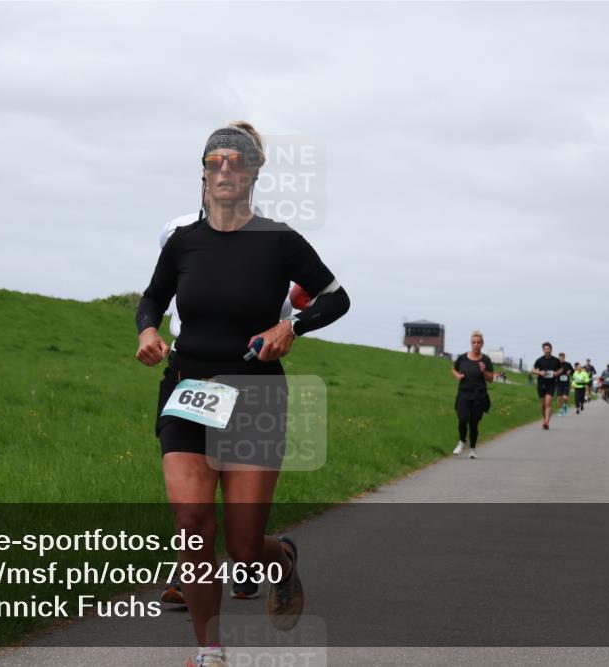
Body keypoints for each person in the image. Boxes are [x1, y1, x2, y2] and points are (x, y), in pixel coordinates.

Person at [136, 121, 350, 667]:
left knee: (244, 548)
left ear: (254, 173)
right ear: (204, 174)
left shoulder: (279, 240)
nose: (225, 169)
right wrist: (148, 331)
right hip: (187, 389)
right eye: (215, 162)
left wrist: (290, 327)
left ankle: (282, 559)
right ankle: (209, 651)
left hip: (255, 395)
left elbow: (336, 297)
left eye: (236, 161)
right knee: (191, 525)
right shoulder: (183, 241)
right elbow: (153, 298)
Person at [158, 204, 292, 606]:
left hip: (248, 376)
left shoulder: (271, 236)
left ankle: (262, 558)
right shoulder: (178, 231)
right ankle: (190, 570)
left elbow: (284, 310)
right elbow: (165, 288)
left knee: (243, 532)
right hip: (191, 373)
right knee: (190, 504)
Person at [451, 331, 494, 459]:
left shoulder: (486, 360)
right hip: (464, 393)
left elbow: (490, 379)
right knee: (463, 418)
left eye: (478, 342)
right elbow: (453, 369)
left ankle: (473, 449)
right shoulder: (462, 358)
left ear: (482, 344)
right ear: (471, 343)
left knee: (474, 423)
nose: (476, 345)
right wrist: (457, 376)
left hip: (479, 395)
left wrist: (484, 371)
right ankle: (462, 440)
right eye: (474, 342)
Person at [532, 342, 559, 430]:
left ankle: (547, 422)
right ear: (543, 350)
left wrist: (556, 373)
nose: (547, 350)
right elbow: (533, 370)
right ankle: (544, 419)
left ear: (551, 349)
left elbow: (560, 370)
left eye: (548, 349)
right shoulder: (539, 360)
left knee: (548, 403)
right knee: (543, 405)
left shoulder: (556, 360)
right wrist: (539, 372)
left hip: (551, 384)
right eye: (545, 349)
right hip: (541, 383)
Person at [554, 352, 572, 416]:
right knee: (559, 398)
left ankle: (565, 405)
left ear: (564, 358)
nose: (561, 359)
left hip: (566, 383)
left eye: (563, 357)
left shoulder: (568, 364)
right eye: (560, 357)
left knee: (565, 397)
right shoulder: (556, 365)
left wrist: (570, 372)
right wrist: (557, 373)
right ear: (558, 358)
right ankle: (560, 410)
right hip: (558, 383)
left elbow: (572, 371)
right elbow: (553, 373)